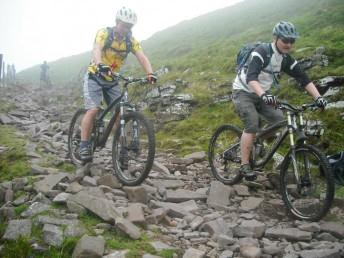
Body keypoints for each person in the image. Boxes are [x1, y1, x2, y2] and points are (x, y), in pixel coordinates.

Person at [232, 21, 327, 180]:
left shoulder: (286, 59)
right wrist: (264, 95)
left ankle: (256, 141)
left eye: (292, 41)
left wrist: (318, 97)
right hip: (243, 91)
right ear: (275, 38)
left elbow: (303, 78)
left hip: (263, 93)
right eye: (285, 40)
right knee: (252, 123)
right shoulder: (261, 52)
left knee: (279, 120)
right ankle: (244, 165)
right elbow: (251, 77)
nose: (288, 44)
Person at [79, 6, 157, 162]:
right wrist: (100, 63)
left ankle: (122, 149)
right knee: (93, 109)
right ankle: (84, 145)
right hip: (95, 76)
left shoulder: (130, 41)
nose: (126, 29)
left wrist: (150, 73)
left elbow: (142, 56)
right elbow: (96, 48)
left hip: (112, 80)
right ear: (117, 22)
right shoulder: (104, 33)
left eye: (130, 26)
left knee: (120, 115)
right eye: (124, 25)